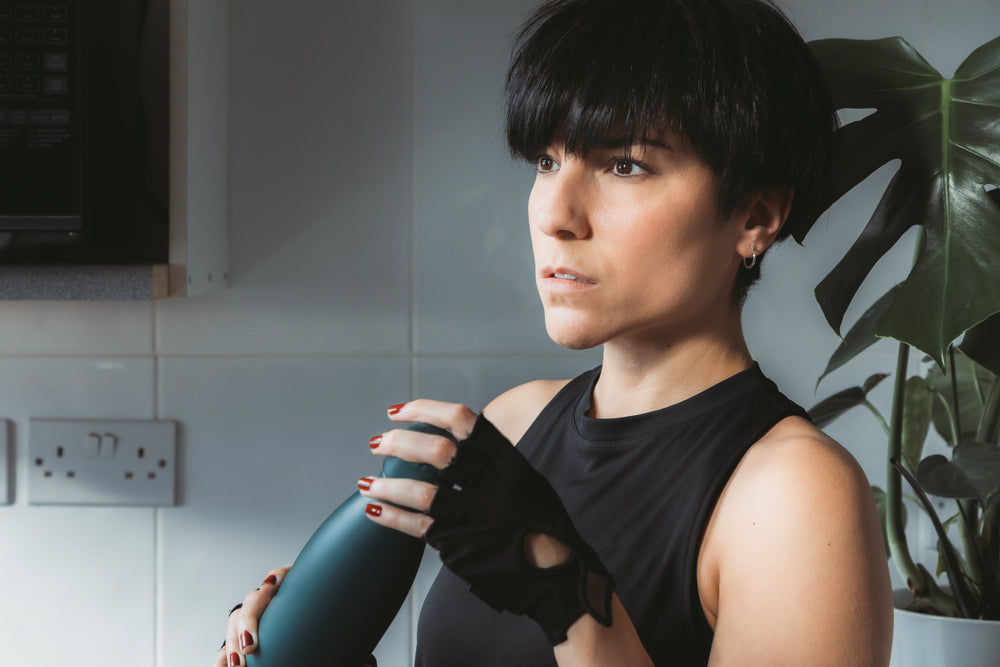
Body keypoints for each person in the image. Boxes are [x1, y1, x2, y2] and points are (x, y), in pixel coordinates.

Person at [216, 0, 894, 664]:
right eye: (546, 161)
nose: (556, 213)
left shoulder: (794, 496)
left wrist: (566, 593)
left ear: (756, 215)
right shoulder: (515, 423)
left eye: (624, 164)